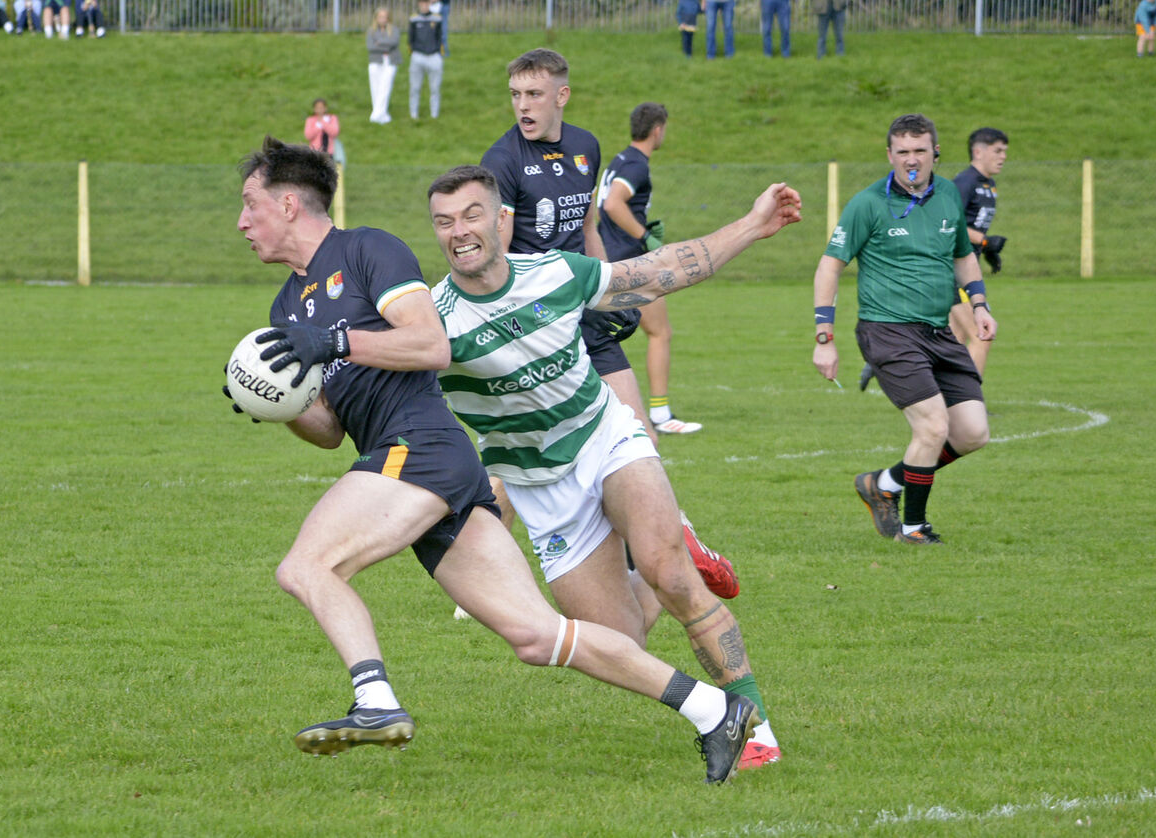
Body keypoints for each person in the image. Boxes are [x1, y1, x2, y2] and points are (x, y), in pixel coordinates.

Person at [227, 136, 761, 784]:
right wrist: (273, 404)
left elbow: (429, 344)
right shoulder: (287, 307)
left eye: (249, 204)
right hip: (413, 463)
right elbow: (331, 431)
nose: (241, 222)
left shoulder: (366, 250)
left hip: (419, 447)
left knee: (306, 565)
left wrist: (335, 338)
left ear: (287, 204)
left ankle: (375, 701)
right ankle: (715, 712)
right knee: (539, 637)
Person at [427, 165, 801, 770]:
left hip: (606, 440)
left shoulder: (554, 273)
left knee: (671, 578)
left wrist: (754, 225)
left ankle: (755, 726)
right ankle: (675, 545)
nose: (459, 232)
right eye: (444, 222)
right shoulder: (433, 321)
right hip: (539, 490)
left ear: (502, 219)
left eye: (472, 215)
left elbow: (664, 272)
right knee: (621, 641)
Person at [479, 49, 733, 598]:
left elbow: (589, 227)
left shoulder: (586, 147)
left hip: (584, 312)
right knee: (518, 468)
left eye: (534, 94)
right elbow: (496, 257)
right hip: (535, 326)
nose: (523, 106)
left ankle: (672, 546)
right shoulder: (500, 162)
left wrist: (609, 293)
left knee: (637, 438)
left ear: (561, 96)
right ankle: (488, 580)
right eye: (516, 94)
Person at [813, 113, 997, 546]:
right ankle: (913, 529)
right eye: (902, 152)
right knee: (932, 427)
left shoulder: (950, 193)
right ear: (889, 155)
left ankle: (885, 485)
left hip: (938, 332)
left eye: (919, 150)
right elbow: (829, 267)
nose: (911, 160)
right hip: (888, 332)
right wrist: (824, 336)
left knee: (972, 433)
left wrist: (981, 303)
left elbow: (963, 256)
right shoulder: (868, 203)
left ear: (935, 152)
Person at [597, 102, 700, 435]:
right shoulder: (637, 165)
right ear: (658, 129)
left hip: (607, 259)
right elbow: (613, 203)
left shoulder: (620, 159)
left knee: (596, 337)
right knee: (659, 333)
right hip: (632, 264)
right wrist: (644, 236)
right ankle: (660, 414)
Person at [950, 127, 1008, 377]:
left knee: (954, 340)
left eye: (1005, 151)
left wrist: (985, 251)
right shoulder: (965, 183)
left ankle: (892, 360)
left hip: (967, 266)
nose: (1003, 156)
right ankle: (970, 404)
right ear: (978, 151)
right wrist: (984, 242)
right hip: (954, 268)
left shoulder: (989, 184)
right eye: (997, 150)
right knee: (981, 336)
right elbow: (951, 222)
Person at [408, 0, 443, 120]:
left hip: (433, 56)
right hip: (418, 55)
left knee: (435, 88)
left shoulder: (437, 18)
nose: (424, 5)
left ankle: (434, 115)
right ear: (418, 4)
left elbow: (440, 37)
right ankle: (413, 114)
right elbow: (410, 39)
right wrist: (414, 51)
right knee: (415, 87)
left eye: (426, 3)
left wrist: (437, 52)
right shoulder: (414, 19)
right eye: (422, 3)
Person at [366, 7, 401, 125]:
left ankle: (375, 115)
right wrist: (386, 43)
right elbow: (370, 47)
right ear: (376, 18)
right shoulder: (371, 31)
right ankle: (382, 115)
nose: (382, 19)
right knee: (375, 88)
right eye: (380, 17)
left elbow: (394, 42)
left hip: (390, 61)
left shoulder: (394, 30)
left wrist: (379, 43)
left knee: (385, 86)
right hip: (375, 61)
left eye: (385, 17)